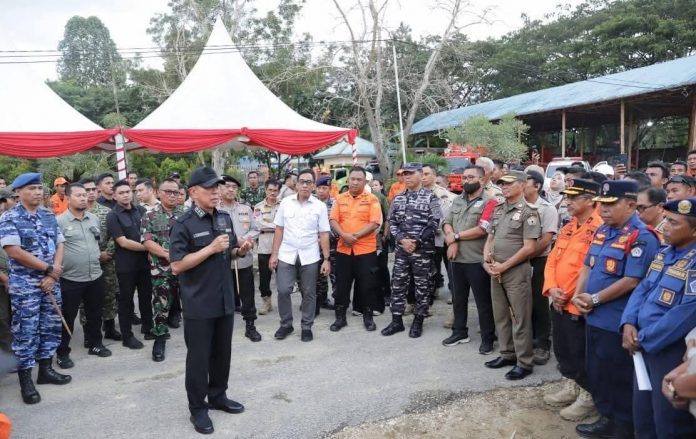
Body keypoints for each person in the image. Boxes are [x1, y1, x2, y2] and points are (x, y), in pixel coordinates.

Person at [571, 180, 660, 438]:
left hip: (616, 322)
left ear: (631, 205)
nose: (604, 209)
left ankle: (622, 427)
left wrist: (595, 299)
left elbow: (633, 280)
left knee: (618, 378)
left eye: (611, 204)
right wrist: (578, 295)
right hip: (593, 317)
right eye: (602, 203)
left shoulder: (642, 237)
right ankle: (606, 418)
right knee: (598, 374)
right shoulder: (603, 231)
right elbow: (588, 266)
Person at [170, 167, 250, 435]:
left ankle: (218, 396)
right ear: (193, 192)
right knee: (199, 359)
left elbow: (231, 251)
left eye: (218, 187)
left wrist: (240, 250)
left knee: (222, 354)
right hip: (199, 303)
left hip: (225, 298)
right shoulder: (184, 224)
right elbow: (177, 265)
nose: (216, 192)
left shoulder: (224, 218)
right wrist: (210, 248)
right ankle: (198, 408)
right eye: (210, 188)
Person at [620, 198, 696, 438]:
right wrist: (628, 323)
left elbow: (686, 312)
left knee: (668, 422)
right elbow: (642, 288)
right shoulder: (664, 254)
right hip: (642, 347)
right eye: (666, 221)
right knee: (643, 415)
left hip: (669, 352)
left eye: (674, 223)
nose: (665, 228)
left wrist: (643, 337)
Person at [0, 172, 71, 405]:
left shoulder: (48, 215)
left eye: (40, 188)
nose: (38, 192)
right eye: (31, 189)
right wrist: (48, 269)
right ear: (18, 192)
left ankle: (45, 370)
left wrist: (53, 272)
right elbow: (14, 252)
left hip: (51, 282)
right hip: (26, 287)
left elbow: (59, 243)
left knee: (50, 327)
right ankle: (26, 381)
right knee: (26, 332)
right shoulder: (9, 218)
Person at [542, 179, 603, 422]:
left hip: (576, 302)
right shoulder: (568, 227)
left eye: (573, 198)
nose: (567, 201)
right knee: (562, 348)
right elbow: (553, 260)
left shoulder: (599, 228)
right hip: (558, 298)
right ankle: (571, 385)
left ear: (590, 200)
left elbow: (587, 269)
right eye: (567, 197)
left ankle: (588, 396)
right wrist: (552, 288)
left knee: (579, 352)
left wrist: (566, 293)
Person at [482, 170, 541, 380]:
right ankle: (507, 353)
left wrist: (504, 266)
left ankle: (524, 362)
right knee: (500, 314)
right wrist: (486, 260)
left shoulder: (529, 212)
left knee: (520, 317)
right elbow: (490, 237)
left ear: (522, 185)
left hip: (515, 271)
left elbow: (529, 248)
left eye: (508, 183)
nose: (504, 186)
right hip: (495, 269)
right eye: (502, 183)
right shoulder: (498, 209)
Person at [269, 169, 331, 342]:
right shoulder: (285, 203)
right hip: (286, 254)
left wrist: (326, 259)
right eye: (302, 182)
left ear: (313, 185)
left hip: (309, 255)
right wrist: (274, 254)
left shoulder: (319, 206)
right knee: (283, 290)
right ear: (296, 185)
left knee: (309, 292)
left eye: (308, 182)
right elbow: (279, 229)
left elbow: (324, 233)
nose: (305, 185)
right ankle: (286, 324)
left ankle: (306, 326)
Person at [442, 165, 497, 354]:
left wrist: (455, 238)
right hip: (456, 259)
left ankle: (488, 338)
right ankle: (459, 332)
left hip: (476, 260)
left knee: (483, 303)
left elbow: (483, 228)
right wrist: (451, 240)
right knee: (458, 299)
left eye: (471, 177)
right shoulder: (458, 200)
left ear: (481, 180)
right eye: (464, 177)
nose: (466, 180)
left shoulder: (490, 202)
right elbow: (446, 221)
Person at [382, 163, 442, 338]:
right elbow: (392, 222)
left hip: (422, 252)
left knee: (422, 286)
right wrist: (402, 240)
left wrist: (417, 241)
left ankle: (418, 321)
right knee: (398, 284)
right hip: (402, 251)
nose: (406, 177)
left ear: (421, 175)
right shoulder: (398, 198)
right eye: (404, 174)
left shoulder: (431, 197)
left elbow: (434, 223)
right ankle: (396, 321)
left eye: (410, 173)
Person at [56, 183, 111, 369]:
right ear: (68, 198)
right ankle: (63, 352)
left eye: (85, 195)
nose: (83, 198)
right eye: (78, 195)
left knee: (95, 314)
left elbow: (97, 243)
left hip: (95, 275)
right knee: (67, 317)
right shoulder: (59, 222)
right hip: (70, 278)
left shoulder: (93, 219)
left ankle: (96, 344)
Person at [328, 167, 382, 332]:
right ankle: (340, 318)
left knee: (367, 285)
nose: (355, 182)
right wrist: (344, 235)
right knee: (342, 285)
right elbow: (333, 219)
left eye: (359, 179)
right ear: (348, 180)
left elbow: (374, 223)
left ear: (365, 182)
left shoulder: (372, 199)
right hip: (343, 249)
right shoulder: (339, 198)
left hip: (365, 250)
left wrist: (354, 236)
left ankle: (368, 317)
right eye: (353, 179)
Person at [141, 179, 186, 361]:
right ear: (158, 193)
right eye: (168, 191)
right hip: (161, 269)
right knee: (161, 305)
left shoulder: (186, 214)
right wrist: (168, 255)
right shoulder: (149, 215)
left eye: (176, 192)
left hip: (186, 267)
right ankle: (160, 338)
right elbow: (147, 241)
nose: (173, 195)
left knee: (192, 302)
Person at [106, 179, 153, 349]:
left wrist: (151, 247)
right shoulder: (112, 215)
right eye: (121, 193)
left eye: (128, 192)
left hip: (145, 263)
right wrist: (149, 247)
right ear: (114, 196)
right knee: (126, 301)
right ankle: (127, 336)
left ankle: (148, 327)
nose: (125, 195)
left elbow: (149, 233)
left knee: (146, 297)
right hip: (126, 265)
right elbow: (123, 242)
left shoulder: (141, 210)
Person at [218, 175, 261, 342]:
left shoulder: (246, 209)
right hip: (222, 260)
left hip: (244, 259)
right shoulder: (215, 209)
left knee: (247, 294)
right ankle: (222, 329)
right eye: (227, 186)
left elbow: (255, 228)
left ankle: (250, 325)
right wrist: (236, 241)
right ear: (220, 188)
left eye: (234, 187)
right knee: (223, 296)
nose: (230, 189)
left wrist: (246, 240)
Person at [524, 170, 559, 365]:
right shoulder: (517, 206)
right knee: (522, 302)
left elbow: (546, 240)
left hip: (538, 260)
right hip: (517, 260)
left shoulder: (547, 209)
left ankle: (542, 344)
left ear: (537, 186)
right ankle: (525, 341)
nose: (521, 186)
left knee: (539, 302)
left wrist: (524, 255)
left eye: (525, 183)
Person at [82, 177, 121, 342]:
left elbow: (115, 235)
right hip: (85, 263)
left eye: (93, 189)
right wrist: (93, 255)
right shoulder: (76, 213)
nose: (91, 193)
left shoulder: (107, 212)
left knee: (109, 294)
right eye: (87, 190)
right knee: (86, 300)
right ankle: (89, 334)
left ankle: (110, 328)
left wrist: (108, 253)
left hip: (107, 260)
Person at [422, 164, 456, 303]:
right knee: (431, 267)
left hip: (444, 236)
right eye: (421, 174)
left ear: (434, 176)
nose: (423, 177)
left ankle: (454, 292)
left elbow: (444, 216)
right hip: (427, 238)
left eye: (427, 174)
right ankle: (432, 291)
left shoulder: (443, 194)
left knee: (451, 267)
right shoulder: (416, 193)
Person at [253, 179, 281, 315]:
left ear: (279, 191)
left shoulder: (284, 205)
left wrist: (270, 225)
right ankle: (266, 301)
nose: (272, 193)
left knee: (283, 278)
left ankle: (283, 301)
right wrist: (277, 226)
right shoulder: (258, 207)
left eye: (275, 190)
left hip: (281, 247)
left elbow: (287, 224)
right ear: (265, 190)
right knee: (264, 278)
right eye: (270, 190)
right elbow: (258, 224)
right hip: (264, 246)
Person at [314, 176, 337, 313]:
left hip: (332, 246)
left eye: (324, 188)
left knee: (335, 275)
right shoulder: (311, 203)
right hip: (314, 247)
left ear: (330, 189)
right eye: (319, 188)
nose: (321, 191)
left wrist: (327, 237)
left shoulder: (335, 204)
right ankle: (320, 301)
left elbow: (338, 225)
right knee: (318, 277)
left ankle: (339, 303)